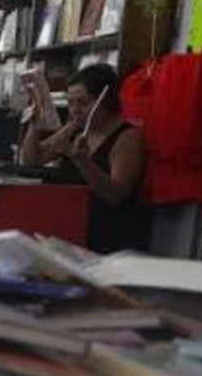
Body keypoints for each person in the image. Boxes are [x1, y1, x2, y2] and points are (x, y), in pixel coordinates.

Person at [19, 64, 149, 253]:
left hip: (107, 236)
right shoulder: (75, 128)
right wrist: (35, 125)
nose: (75, 110)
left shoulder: (128, 137)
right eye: (71, 102)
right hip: (72, 230)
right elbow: (31, 159)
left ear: (106, 101)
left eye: (83, 102)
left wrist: (82, 161)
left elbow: (116, 195)